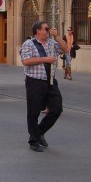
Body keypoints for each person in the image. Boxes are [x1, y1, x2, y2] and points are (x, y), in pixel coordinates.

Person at [20, 20, 68, 152]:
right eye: (46, 29)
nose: (48, 31)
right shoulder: (28, 44)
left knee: (57, 109)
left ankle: (39, 131)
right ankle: (33, 140)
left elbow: (66, 49)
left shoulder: (52, 43)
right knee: (33, 112)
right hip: (35, 81)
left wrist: (57, 36)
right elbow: (25, 61)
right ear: (38, 31)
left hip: (51, 80)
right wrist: (45, 59)